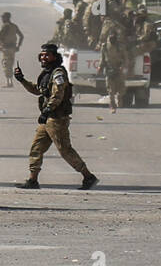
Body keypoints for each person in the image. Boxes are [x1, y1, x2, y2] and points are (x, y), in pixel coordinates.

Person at [13, 43, 99, 190]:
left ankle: (88, 176)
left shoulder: (58, 73)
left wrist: (47, 110)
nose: (43, 57)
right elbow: (37, 90)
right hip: (48, 118)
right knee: (36, 148)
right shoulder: (47, 73)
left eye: (47, 55)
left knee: (65, 150)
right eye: (42, 55)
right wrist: (22, 80)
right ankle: (33, 180)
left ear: (54, 57)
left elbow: (57, 95)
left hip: (56, 118)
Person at [0, 12, 24, 88]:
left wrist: (1, 45)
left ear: (6, 18)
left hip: (6, 48)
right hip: (13, 48)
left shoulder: (5, 26)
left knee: (6, 64)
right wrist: (18, 46)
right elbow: (21, 36)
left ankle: (8, 82)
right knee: (10, 64)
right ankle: (10, 81)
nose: (2, 19)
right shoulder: (14, 26)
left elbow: (0, 37)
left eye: (3, 18)